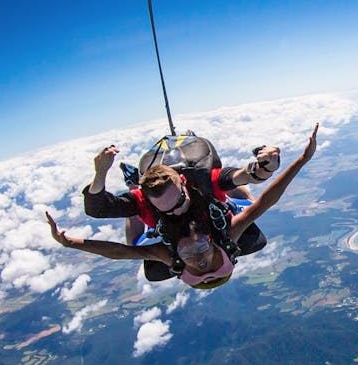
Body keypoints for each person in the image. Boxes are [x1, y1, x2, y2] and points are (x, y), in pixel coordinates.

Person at [46, 124, 318, 290]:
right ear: (219, 251)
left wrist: (71, 241)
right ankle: (201, 188)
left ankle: (135, 184)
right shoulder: (226, 234)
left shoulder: (166, 254)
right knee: (235, 195)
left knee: (138, 229)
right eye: (206, 258)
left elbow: (120, 251)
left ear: (180, 264)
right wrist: (293, 162)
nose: (198, 257)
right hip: (206, 196)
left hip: (156, 209)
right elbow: (262, 202)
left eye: (193, 263)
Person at [83, 135, 281, 281]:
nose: (175, 212)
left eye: (176, 203)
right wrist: (265, 168)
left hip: (170, 205)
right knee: (241, 199)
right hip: (208, 209)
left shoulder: (150, 199)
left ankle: (134, 184)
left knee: (135, 240)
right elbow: (244, 177)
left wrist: (100, 172)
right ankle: (135, 185)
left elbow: (98, 209)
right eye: (166, 208)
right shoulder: (201, 182)